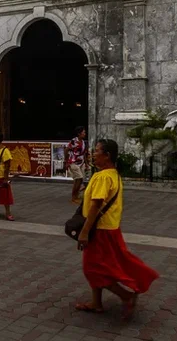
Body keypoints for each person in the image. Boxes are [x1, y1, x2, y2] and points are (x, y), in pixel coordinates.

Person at [74, 138, 159, 319]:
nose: (93, 153)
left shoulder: (104, 177)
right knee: (101, 264)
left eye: (97, 151)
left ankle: (126, 295)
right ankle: (96, 302)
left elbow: (96, 206)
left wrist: (84, 232)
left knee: (94, 268)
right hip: (109, 227)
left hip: (101, 230)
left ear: (107, 155)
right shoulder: (111, 174)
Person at [65, 126, 88, 204]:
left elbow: (84, 153)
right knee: (79, 178)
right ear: (79, 133)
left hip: (81, 163)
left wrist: (86, 163)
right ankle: (73, 197)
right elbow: (66, 150)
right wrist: (66, 161)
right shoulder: (74, 141)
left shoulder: (84, 142)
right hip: (73, 162)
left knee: (78, 180)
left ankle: (76, 195)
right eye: (83, 132)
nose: (85, 133)